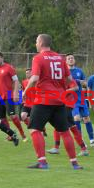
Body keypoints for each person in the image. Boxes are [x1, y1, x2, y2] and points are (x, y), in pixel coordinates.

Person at [22, 34, 83, 170]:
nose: (35, 44)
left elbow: (34, 78)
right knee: (65, 131)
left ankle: (42, 162)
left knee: (34, 129)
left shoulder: (38, 58)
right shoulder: (60, 58)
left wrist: (25, 92)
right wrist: (60, 87)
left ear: (41, 42)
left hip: (43, 99)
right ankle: (74, 163)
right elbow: (68, 79)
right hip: (60, 100)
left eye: (36, 41)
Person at [0, 52, 27, 141]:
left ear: (2, 58)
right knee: (2, 118)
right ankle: (11, 135)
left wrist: (15, 93)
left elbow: (16, 81)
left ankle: (22, 134)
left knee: (13, 116)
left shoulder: (9, 68)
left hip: (8, 96)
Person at [67, 55, 94, 148]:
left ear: (74, 60)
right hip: (71, 99)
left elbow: (85, 83)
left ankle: (92, 141)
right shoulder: (65, 72)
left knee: (87, 119)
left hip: (81, 99)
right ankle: (81, 141)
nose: (70, 59)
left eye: (72, 58)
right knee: (76, 118)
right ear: (66, 61)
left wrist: (77, 81)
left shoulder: (79, 71)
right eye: (68, 58)